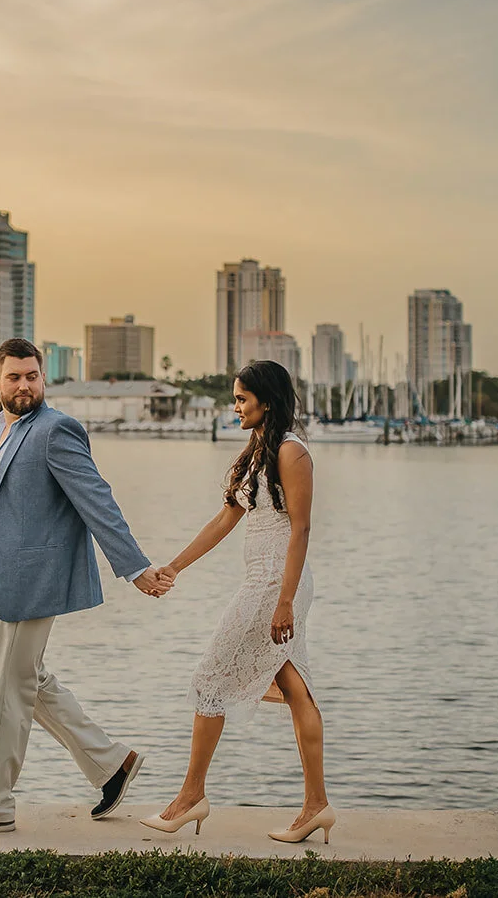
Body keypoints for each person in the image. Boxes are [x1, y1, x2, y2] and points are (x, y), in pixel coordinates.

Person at [0, 338, 175, 835]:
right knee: (29, 682)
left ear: (44, 379)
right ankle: (111, 765)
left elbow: (96, 501)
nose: (24, 385)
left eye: (32, 376)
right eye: (14, 377)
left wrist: (134, 568)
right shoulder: (1, 428)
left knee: (3, 692)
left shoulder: (55, 430)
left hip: (29, 584)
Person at [141, 360, 334, 843]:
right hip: (263, 581)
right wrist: (175, 566)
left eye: (242, 399)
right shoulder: (256, 452)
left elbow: (302, 527)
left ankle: (190, 797)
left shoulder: (291, 452)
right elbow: (224, 521)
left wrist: (285, 600)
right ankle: (316, 806)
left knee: (210, 678)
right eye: (235, 398)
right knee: (294, 687)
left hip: (275, 585)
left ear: (266, 400)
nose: (236, 406)